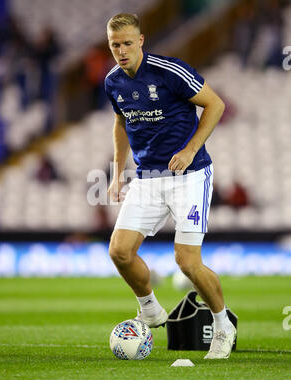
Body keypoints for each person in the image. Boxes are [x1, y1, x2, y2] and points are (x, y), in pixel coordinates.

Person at [104, 13, 236, 359]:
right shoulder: (113, 82)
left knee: (187, 262)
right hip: (148, 177)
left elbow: (215, 104)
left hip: (189, 176)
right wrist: (118, 173)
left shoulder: (169, 71)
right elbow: (120, 122)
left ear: (141, 40)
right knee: (119, 251)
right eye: (115, 44)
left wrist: (190, 150)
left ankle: (223, 326)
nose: (121, 50)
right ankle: (149, 308)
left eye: (127, 43)